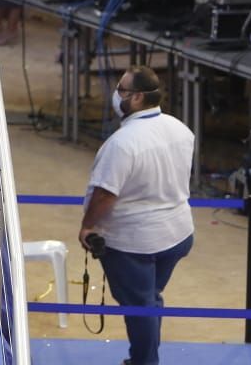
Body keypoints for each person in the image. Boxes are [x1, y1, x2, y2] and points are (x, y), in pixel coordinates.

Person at [80, 65, 195, 365]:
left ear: (138, 98)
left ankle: (145, 363)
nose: (115, 95)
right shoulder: (181, 129)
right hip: (178, 234)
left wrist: (87, 226)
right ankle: (142, 359)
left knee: (140, 305)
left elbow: (105, 194)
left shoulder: (122, 144)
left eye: (121, 90)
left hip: (135, 243)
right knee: (150, 297)